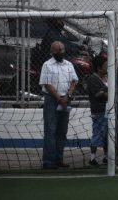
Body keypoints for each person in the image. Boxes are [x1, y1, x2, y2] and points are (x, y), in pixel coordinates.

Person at [39, 40, 78, 170]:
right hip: (52, 99)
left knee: (62, 131)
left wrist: (68, 96)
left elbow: (74, 81)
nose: (60, 52)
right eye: (57, 50)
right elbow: (47, 84)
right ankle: (48, 161)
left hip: (66, 99)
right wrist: (59, 98)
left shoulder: (69, 64)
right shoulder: (47, 65)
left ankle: (58, 159)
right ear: (52, 52)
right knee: (50, 130)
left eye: (62, 50)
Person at [85, 54, 110, 168]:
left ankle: (106, 157)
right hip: (98, 110)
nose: (108, 67)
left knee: (106, 135)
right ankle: (92, 158)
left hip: (108, 110)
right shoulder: (93, 79)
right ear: (99, 68)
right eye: (105, 65)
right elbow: (99, 95)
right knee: (97, 133)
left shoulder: (107, 77)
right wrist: (108, 92)